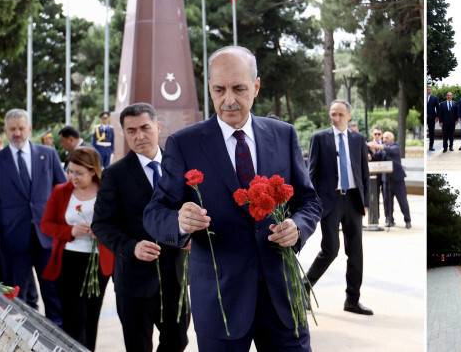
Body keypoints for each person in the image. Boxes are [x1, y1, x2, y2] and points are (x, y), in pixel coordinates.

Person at [143, 46, 322, 350]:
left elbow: (310, 201)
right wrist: (179, 221)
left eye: (238, 88)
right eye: (219, 89)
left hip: (282, 297)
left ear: (256, 86)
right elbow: (153, 213)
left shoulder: (284, 134)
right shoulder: (183, 144)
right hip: (219, 302)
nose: (228, 100)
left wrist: (298, 226)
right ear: (209, 89)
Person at [92, 103, 190, 352]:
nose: (139, 136)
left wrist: (192, 235)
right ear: (124, 133)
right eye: (131, 131)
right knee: (138, 347)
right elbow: (101, 225)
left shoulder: (181, 166)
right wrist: (131, 246)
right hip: (134, 282)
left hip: (175, 277)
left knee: (177, 343)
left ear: (157, 127)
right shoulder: (114, 175)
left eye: (145, 128)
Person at [40, 147, 114, 351]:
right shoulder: (60, 191)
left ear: (93, 171)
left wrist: (103, 233)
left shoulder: (107, 191)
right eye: (70, 171)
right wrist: (70, 231)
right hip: (67, 261)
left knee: (91, 317)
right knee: (73, 318)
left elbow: (119, 223)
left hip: (99, 263)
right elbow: (46, 224)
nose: (73, 177)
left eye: (79, 173)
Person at [304, 98, 372, 317]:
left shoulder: (358, 139)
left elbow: (363, 173)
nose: (336, 118)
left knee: (356, 253)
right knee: (330, 250)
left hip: (353, 201)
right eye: (333, 114)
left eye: (340, 114)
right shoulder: (319, 138)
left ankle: (352, 300)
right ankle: (303, 288)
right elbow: (311, 173)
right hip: (330, 202)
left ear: (349, 116)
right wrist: (311, 203)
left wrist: (366, 203)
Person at [0, 108, 66, 327]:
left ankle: (58, 335)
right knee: (19, 298)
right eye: (12, 129)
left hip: (47, 237)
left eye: (21, 128)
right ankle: (27, 336)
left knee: (53, 291)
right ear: (5, 130)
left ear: (29, 129)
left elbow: (63, 191)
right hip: (13, 239)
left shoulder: (47, 155)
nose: (17, 133)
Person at [378, 131, 411, 229]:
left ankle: (408, 220)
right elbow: (377, 156)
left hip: (397, 179)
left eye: (387, 137)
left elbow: (391, 150)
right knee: (387, 201)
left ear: (392, 139)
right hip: (386, 179)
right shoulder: (382, 147)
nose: (384, 139)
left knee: (402, 200)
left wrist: (379, 146)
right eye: (383, 137)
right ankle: (389, 219)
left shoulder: (395, 146)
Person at [426, 86, 439, 151]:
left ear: (431, 91)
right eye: (427, 89)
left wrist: (437, 116)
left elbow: (438, 108)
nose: (428, 91)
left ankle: (431, 146)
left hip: (431, 117)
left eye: (429, 90)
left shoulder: (435, 98)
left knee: (431, 132)